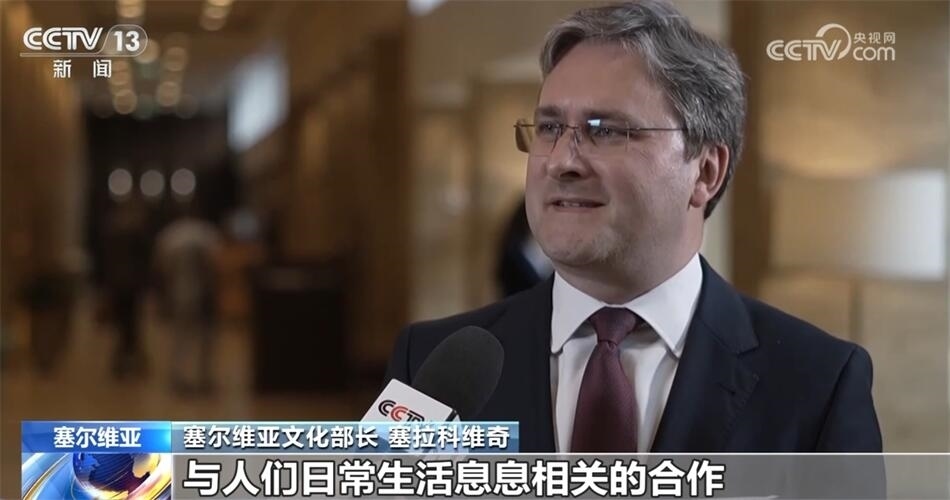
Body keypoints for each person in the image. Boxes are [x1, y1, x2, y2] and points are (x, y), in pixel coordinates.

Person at [386, 1, 882, 456]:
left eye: (606, 131)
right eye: (550, 128)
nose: (561, 162)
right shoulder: (430, 366)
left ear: (705, 172)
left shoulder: (819, 384)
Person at [154, 204, 222, 394]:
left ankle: (179, 377)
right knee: (206, 339)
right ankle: (204, 377)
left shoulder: (170, 234)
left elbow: (161, 267)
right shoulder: (208, 233)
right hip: (205, 292)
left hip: (180, 291)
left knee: (180, 337)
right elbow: (217, 265)